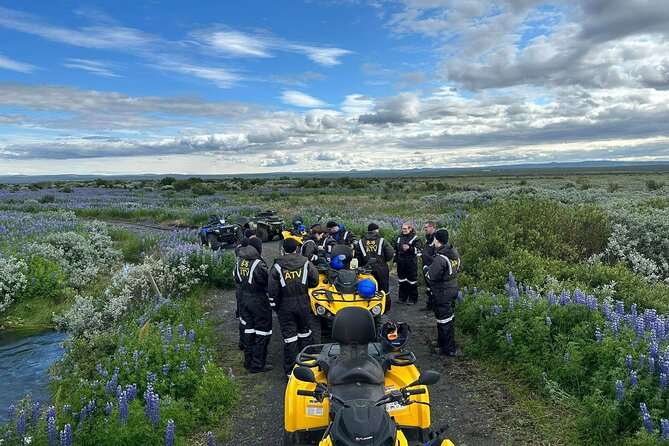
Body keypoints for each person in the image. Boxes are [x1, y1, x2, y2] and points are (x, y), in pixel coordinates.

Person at [269, 238, 320, 377]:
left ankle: (291, 372)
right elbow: (315, 281)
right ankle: (306, 366)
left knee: (290, 338)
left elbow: (273, 290)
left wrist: (276, 306)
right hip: (303, 303)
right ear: (297, 249)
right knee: (305, 334)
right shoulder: (306, 263)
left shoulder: (277, 267)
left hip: (285, 306)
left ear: (283, 250)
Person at [234, 238, 273, 372]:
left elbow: (236, 279)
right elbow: (268, 282)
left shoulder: (240, 261)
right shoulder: (258, 264)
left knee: (248, 331)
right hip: (259, 300)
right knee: (262, 333)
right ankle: (258, 365)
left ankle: (248, 361)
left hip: (244, 299)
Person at [426, 229, 460, 356]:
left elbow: (431, 276)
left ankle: (448, 349)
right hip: (452, 288)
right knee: (448, 318)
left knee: (443, 320)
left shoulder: (440, 258)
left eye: (434, 239)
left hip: (443, 292)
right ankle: (443, 343)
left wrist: (426, 270)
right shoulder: (453, 253)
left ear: (437, 240)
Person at [354, 223, 395, 312]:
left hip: (367, 269)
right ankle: (384, 308)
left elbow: (357, 256)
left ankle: (368, 308)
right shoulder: (382, 241)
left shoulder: (360, 242)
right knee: (384, 290)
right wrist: (383, 260)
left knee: (368, 288)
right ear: (376, 230)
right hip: (381, 267)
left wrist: (362, 265)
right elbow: (390, 253)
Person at [395, 222, 423, 306]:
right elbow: (396, 250)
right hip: (401, 261)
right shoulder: (399, 237)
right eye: (403, 228)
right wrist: (395, 260)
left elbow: (418, 251)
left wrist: (409, 248)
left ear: (410, 229)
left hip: (410, 262)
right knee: (402, 280)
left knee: (412, 281)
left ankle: (413, 298)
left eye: (405, 229)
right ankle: (402, 297)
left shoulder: (416, 238)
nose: (403, 230)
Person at [421, 221, 437, 311]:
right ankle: (429, 304)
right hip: (425, 265)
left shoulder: (436, 239)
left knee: (433, 287)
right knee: (428, 287)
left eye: (426, 227)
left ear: (432, 227)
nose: (425, 229)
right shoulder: (428, 238)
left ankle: (434, 306)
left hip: (432, 266)